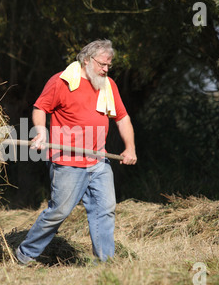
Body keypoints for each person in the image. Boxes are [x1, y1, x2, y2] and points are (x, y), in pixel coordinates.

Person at [16, 39, 137, 264]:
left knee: (105, 210)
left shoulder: (107, 85)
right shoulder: (61, 81)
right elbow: (40, 108)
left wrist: (130, 148)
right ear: (87, 60)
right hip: (67, 161)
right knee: (59, 212)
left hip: (99, 160)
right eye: (102, 64)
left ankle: (105, 262)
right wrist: (41, 132)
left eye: (109, 65)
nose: (106, 69)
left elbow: (122, 118)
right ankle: (25, 254)